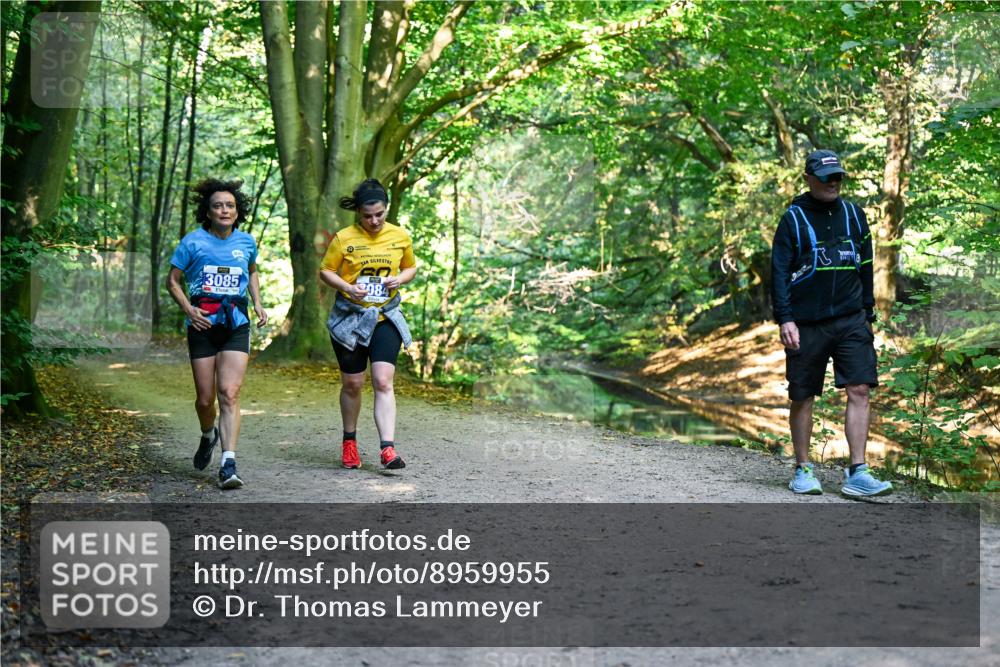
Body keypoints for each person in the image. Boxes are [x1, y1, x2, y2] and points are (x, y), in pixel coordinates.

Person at [770, 150, 892, 497]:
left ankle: (858, 472)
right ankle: (804, 468)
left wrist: (868, 313)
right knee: (804, 395)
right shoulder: (793, 218)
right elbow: (779, 272)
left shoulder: (854, 215)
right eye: (826, 177)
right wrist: (785, 318)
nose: (834, 182)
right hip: (806, 323)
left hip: (851, 319)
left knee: (860, 389)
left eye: (837, 176)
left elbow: (866, 266)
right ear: (809, 179)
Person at [166, 179, 267, 490]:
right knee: (205, 399)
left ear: (237, 212)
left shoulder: (247, 242)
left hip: (236, 324)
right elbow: (172, 280)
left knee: (230, 393)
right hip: (202, 326)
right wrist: (188, 310)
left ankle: (229, 463)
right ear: (208, 212)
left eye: (230, 206)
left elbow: (251, 270)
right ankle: (208, 434)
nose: (224, 210)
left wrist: (258, 303)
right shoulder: (192, 242)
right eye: (218, 206)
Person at [320, 179, 417, 471]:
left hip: (385, 317)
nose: (374, 221)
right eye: (367, 216)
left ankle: (387, 449)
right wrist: (347, 288)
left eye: (379, 214)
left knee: (383, 381)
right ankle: (349, 441)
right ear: (359, 213)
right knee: (353, 384)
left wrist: (399, 279)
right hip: (350, 318)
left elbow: (411, 266)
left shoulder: (400, 236)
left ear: (386, 209)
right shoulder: (343, 238)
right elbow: (326, 271)